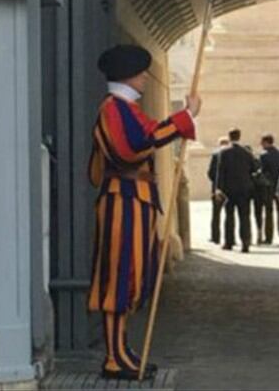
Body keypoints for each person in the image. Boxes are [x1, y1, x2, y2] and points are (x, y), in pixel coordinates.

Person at [87, 44, 201, 380]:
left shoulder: (125, 109)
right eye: (140, 74)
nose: (144, 80)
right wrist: (185, 118)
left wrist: (184, 120)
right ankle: (114, 357)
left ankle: (121, 350)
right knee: (118, 280)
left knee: (132, 277)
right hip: (122, 201)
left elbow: (147, 136)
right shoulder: (114, 110)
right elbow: (133, 147)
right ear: (127, 75)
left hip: (134, 201)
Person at [217, 128, 258, 253]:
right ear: (239, 137)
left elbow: (220, 172)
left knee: (229, 216)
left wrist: (218, 189)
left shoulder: (224, 152)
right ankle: (245, 243)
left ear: (229, 137)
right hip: (245, 189)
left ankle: (229, 242)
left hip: (229, 189)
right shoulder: (246, 152)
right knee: (244, 216)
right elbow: (255, 167)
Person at [256, 134, 279, 246]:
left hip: (268, 187)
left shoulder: (263, 155)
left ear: (265, 142)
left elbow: (262, 171)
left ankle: (269, 237)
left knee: (268, 212)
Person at [207, 137, 230, 244]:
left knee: (216, 214)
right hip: (230, 189)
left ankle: (215, 237)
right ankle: (230, 238)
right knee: (230, 214)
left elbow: (210, 173)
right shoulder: (231, 154)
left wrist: (216, 184)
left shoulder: (216, 155)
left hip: (217, 189)